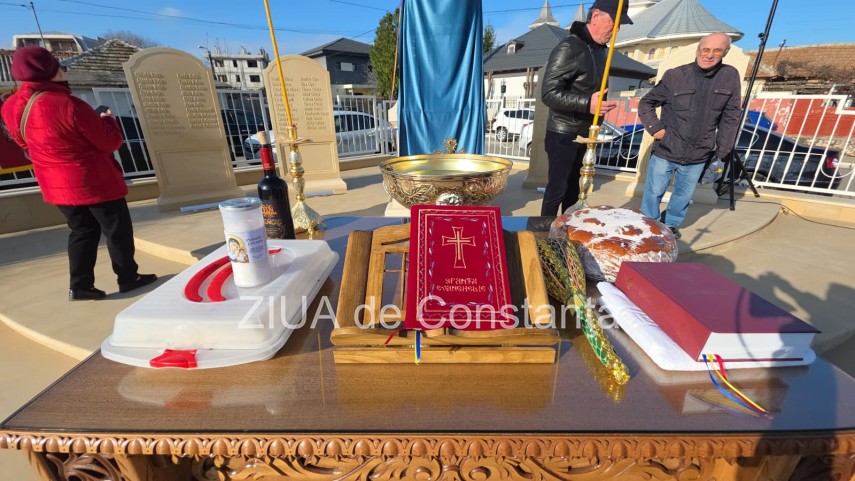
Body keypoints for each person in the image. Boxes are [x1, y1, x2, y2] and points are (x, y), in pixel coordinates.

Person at [1, 46, 157, 300]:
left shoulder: (9, 107)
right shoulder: (69, 104)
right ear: (48, 71)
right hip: (93, 181)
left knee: (81, 231)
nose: (63, 70)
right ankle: (128, 277)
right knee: (116, 230)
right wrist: (107, 120)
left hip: (54, 183)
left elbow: (23, 143)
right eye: (58, 66)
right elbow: (109, 142)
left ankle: (80, 286)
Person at [638, 32, 742, 239]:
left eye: (717, 51)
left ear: (725, 53)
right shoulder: (675, 76)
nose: (709, 55)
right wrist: (656, 128)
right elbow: (646, 103)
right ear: (698, 50)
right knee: (653, 192)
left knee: (683, 196)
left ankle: (671, 225)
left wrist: (722, 151)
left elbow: (731, 116)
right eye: (706, 49)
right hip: (667, 148)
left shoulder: (729, 77)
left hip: (699, 152)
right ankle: (649, 224)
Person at [539, 0, 632, 216]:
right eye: (614, 21)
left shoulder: (600, 51)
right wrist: (587, 104)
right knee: (558, 190)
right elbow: (548, 93)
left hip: (587, 133)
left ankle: (567, 233)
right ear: (596, 16)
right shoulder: (569, 47)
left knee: (576, 191)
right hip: (564, 133)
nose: (616, 29)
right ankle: (543, 237)